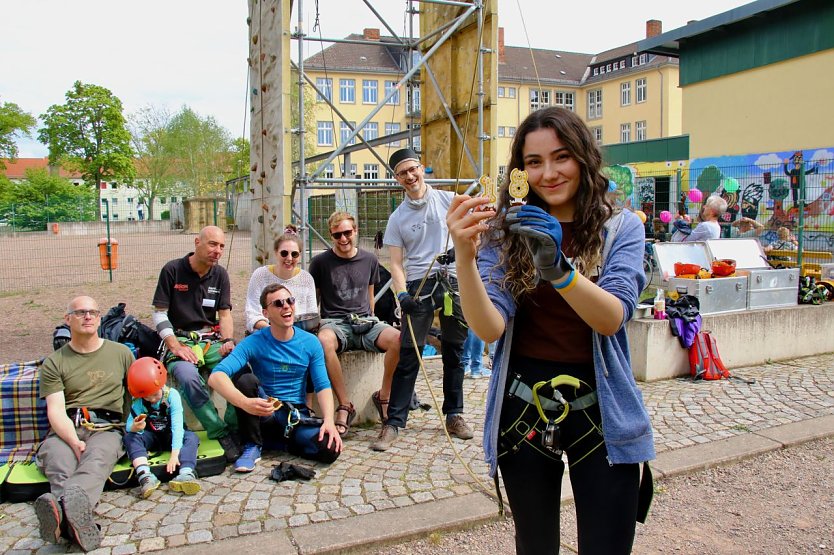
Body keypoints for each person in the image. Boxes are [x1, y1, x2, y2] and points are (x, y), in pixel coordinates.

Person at [447, 107, 654, 553]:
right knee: (535, 547)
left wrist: (558, 270)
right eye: (534, 162)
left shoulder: (621, 228)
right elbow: (489, 327)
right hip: (523, 408)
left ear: (583, 157)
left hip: (603, 408)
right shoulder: (505, 230)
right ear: (520, 171)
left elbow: (612, 316)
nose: (549, 173)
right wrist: (465, 257)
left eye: (561, 157)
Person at [371, 147, 473, 452]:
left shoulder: (448, 201)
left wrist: (462, 249)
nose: (410, 176)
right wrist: (402, 295)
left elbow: (474, 234)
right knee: (408, 353)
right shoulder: (397, 218)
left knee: (455, 351)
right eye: (402, 173)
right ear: (396, 178)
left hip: (452, 282)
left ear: (422, 168)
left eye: (413, 169)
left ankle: (454, 415)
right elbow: (397, 264)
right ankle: (394, 422)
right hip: (418, 284)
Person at [34, 296, 135, 552]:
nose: (87, 316)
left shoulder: (121, 353)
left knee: (96, 461)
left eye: (92, 312)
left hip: (106, 427)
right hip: (67, 426)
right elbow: (56, 410)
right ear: (68, 320)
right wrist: (72, 440)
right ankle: (75, 523)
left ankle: (61, 519)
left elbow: (137, 396)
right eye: (80, 312)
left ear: (100, 318)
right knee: (58, 460)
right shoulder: (55, 362)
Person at [207, 283, 342, 471]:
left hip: (294, 417)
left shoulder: (311, 342)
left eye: (290, 301)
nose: (286, 306)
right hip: (264, 412)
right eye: (278, 303)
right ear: (265, 313)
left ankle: (279, 444)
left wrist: (329, 421)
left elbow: (322, 385)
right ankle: (252, 445)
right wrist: (245, 402)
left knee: (330, 448)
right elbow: (216, 377)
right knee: (245, 380)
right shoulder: (254, 341)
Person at [152, 225, 240, 462]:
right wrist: (175, 346)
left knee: (239, 370)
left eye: (221, 246)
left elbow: (225, 314)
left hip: (211, 341)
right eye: (212, 244)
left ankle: (234, 428)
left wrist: (228, 341)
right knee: (189, 377)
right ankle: (219, 432)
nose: (218, 251)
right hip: (180, 339)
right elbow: (159, 314)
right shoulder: (172, 270)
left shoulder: (220, 274)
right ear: (196, 242)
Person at [308, 211, 401, 434]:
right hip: (334, 322)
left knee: (399, 339)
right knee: (323, 341)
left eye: (347, 233)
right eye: (337, 234)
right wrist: (317, 325)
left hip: (366, 321)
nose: (343, 239)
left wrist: (373, 320)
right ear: (331, 235)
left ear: (355, 231)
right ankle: (345, 404)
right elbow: (316, 299)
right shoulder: (320, 262)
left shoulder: (370, 259)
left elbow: (370, 296)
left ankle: (384, 395)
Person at [124, 357, 202, 498]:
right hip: (151, 437)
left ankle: (186, 473)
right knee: (130, 437)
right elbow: (129, 426)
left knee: (191, 437)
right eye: (147, 398)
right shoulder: (138, 402)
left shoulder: (172, 396)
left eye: (155, 394)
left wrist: (174, 455)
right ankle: (145, 475)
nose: (152, 399)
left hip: (170, 435)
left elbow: (178, 426)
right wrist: (135, 427)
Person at [245, 225, 317, 333]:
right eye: (284, 253)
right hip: (266, 332)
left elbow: (311, 314)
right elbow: (252, 313)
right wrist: (275, 331)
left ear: (300, 256)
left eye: (294, 254)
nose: (289, 258)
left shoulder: (306, 279)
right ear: (275, 253)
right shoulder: (260, 275)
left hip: (298, 333)